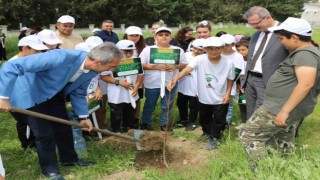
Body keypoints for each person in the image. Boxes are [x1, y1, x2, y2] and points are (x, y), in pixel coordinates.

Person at [0, 42, 123, 179]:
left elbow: (78, 92)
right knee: (45, 134)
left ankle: (69, 160)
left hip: (53, 94)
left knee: (64, 127)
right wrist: (3, 97)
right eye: (112, 66)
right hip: (29, 94)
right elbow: (11, 66)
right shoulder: (60, 56)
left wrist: (84, 117)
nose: (113, 70)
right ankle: (50, 171)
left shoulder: (92, 70)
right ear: (97, 62)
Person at [239, 17, 320, 163]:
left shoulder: (305, 55)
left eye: (282, 38)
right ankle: (282, 166)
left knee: (249, 134)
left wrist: (284, 111)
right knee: (282, 138)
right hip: (287, 106)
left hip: (279, 108)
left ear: (294, 37)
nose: (281, 42)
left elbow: (306, 84)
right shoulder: (307, 53)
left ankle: (262, 170)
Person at [168, 37, 234, 150]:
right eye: (210, 49)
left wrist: (228, 93)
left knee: (219, 119)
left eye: (217, 48)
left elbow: (230, 79)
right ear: (205, 49)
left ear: (222, 49)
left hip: (220, 97)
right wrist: (175, 79)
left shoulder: (228, 62)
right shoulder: (199, 59)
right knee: (204, 118)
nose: (214, 51)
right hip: (203, 96)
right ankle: (206, 133)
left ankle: (215, 137)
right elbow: (187, 69)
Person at [242, 6, 289, 120]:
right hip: (250, 80)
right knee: (250, 112)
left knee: (262, 114)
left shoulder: (286, 31)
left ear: (267, 17)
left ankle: (260, 136)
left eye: (256, 23)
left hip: (268, 81)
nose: (253, 27)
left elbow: (293, 58)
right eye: (251, 24)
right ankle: (251, 136)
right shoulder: (256, 34)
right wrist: (245, 80)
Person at [140, 27, 186, 131]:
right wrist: (156, 67)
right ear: (155, 37)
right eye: (160, 35)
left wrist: (176, 66)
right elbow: (141, 64)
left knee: (167, 105)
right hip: (152, 83)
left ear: (171, 37)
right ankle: (145, 123)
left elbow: (185, 64)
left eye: (166, 34)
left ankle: (165, 125)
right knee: (149, 105)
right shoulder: (148, 50)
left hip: (170, 83)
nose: (164, 37)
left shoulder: (177, 50)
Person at [8, 35, 49, 150]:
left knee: (31, 124)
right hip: (20, 101)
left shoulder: (31, 61)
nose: (39, 54)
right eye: (36, 51)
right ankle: (28, 145)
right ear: (25, 48)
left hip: (32, 99)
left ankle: (32, 143)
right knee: (26, 123)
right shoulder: (13, 65)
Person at [101, 40, 143, 132]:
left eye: (131, 52)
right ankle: (116, 130)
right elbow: (104, 76)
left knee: (130, 111)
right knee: (116, 113)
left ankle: (128, 129)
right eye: (125, 52)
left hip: (132, 92)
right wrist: (119, 82)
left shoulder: (135, 60)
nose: (128, 55)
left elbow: (140, 74)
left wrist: (136, 87)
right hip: (116, 94)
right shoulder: (110, 60)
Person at [176, 39, 204, 130]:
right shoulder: (185, 55)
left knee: (193, 106)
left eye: (200, 49)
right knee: (181, 103)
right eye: (195, 48)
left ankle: (191, 122)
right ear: (192, 47)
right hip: (183, 85)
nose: (196, 51)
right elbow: (179, 66)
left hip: (196, 87)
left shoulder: (204, 58)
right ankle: (183, 119)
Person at [123, 26, 146, 128]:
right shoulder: (119, 47)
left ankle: (135, 119)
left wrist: (142, 81)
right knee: (125, 100)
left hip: (139, 79)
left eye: (137, 35)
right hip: (124, 80)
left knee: (137, 98)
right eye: (131, 35)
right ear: (126, 36)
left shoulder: (144, 48)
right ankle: (125, 121)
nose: (134, 37)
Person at [220, 34, 246, 124]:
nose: (224, 47)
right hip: (215, 85)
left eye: (226, 45)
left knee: (228, 105)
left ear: (233, 44)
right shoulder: (218, 54)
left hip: (229, 86)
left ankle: (225, 124)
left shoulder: (237, 56)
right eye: (222, 44)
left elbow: (238, 72)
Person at [235, 40, 249, 123]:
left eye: (243, 50)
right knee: (242, 104)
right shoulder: (238, 60)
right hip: (241, 87)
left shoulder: (252, 61)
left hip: (250, 85)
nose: (240, 52)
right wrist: (239, 85)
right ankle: (244, 121)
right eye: (239, 50)